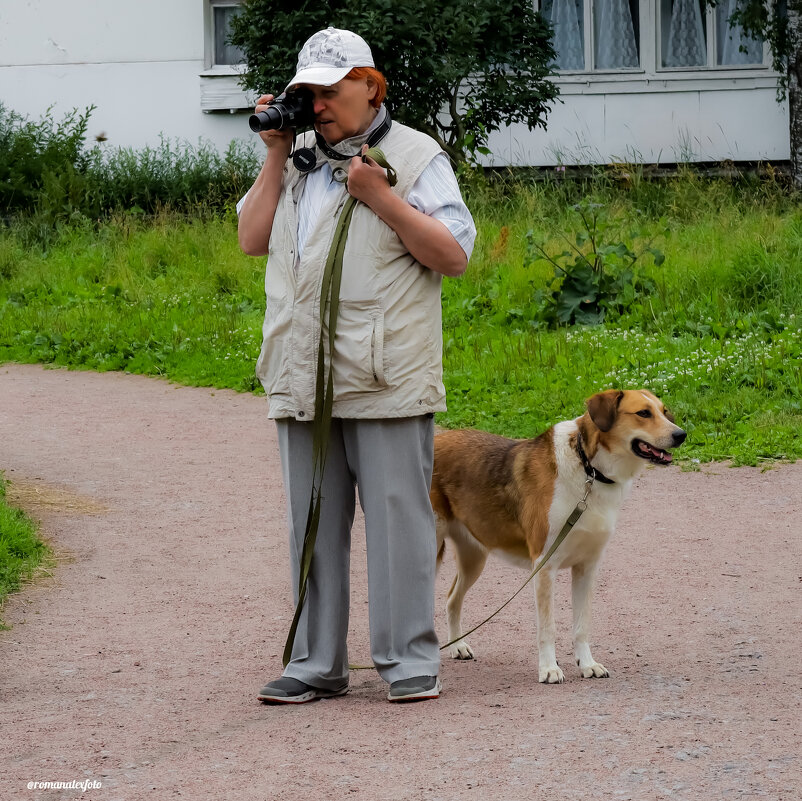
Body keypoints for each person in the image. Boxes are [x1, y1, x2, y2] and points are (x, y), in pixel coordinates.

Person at [237, 27, 476, 703]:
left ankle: (407, 661)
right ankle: (316, 662)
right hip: (301, 371)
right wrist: (274, 156)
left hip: (385, 373)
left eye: (330, 90)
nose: (317, 104)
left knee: (401, 517)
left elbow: (454, 256)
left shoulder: (415, 155)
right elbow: (252, 239)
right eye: (306, 92)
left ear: (372, 85)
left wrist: (384, 198)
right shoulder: (298, 158)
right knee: (309, 521)